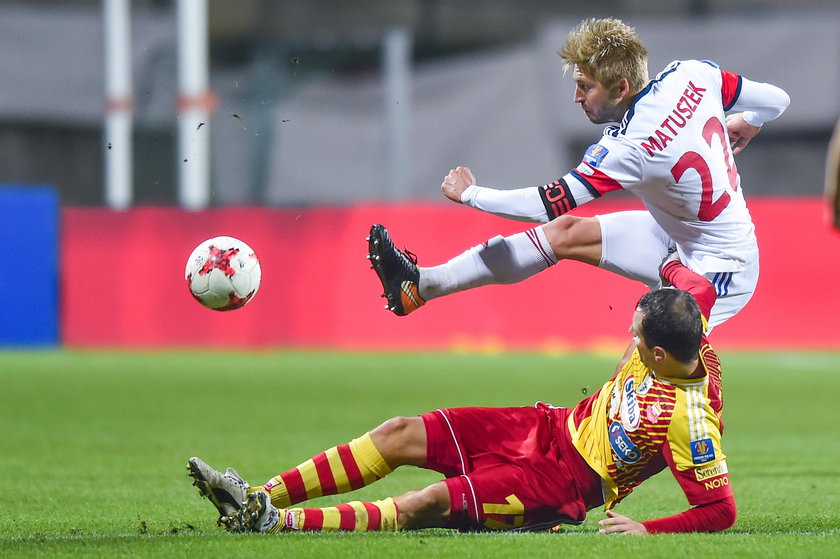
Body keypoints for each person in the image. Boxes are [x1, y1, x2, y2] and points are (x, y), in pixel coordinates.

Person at [188, 257, 735, 534]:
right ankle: (260, 495)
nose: (629, 337)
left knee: (433, 501)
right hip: (547, 426)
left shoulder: (688, 418)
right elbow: (689, 272)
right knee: (399, 432)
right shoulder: (689, 313)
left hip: (564, 483)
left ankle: (274, 523)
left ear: (659, 355)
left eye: (636, 335)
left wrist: (646, 528)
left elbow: (720, 510)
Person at [367, 17, 790, 329]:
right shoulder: (693, 74)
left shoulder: (628, 147)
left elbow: (543, 204)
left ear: (621, 87)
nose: (576, 96)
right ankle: (420, 285)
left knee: (639, 375)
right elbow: (778, 99)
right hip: (678, 234)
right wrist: (750, 119)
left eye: (586, 86)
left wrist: (472, 194)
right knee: (566, 233)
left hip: (721, 269)